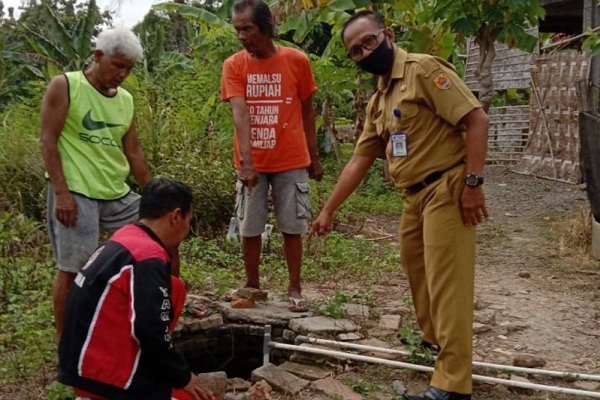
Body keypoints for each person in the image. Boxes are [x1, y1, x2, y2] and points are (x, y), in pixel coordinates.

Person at [308, 11, 489, 400]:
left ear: (387, 35)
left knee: (447, 285)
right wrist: (329, 209)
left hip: (447, 188)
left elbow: (476, 120)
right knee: (418, 276)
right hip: (413, 198)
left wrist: (473, 184)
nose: (364, 52)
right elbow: (359, 159)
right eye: (355, 51)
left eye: (369, 42)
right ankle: (441, 347)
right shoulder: (379, 99)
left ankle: (453, 385)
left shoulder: (424, 71)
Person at [39, 26, 152, 341]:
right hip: (76, 191)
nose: (122, 74)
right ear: (98, 56)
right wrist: (62, 194)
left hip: (116, 192)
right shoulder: (66, 86)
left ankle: (151, 317)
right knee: (74, 268)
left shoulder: (125, 100)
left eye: (128, 68)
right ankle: (66, 341)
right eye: (118, 65)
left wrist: (154, 193)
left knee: (159, 235)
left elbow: (133, 151)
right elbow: (48, 141)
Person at [57, 177, 214, 400]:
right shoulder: (148, 256)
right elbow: (149, 330)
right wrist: (183, 376)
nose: (187, 230)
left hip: (81, 365)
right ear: (176, 216)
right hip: (101, 377)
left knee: (174, 288)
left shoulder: (126, 236)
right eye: (189, 221)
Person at [220, 0, 324, 312]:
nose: (241, 36)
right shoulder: (235, 65)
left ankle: (295, 287)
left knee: (292, 225)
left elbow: (307, 110)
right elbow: (241, 113)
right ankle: (253, 284)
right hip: (253, 163)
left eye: (247, 29)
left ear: (266, 27)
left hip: (291, 159)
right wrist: (247, 163)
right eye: (237, 30)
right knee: (249, 226)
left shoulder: (296, 60)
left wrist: (314, 157)